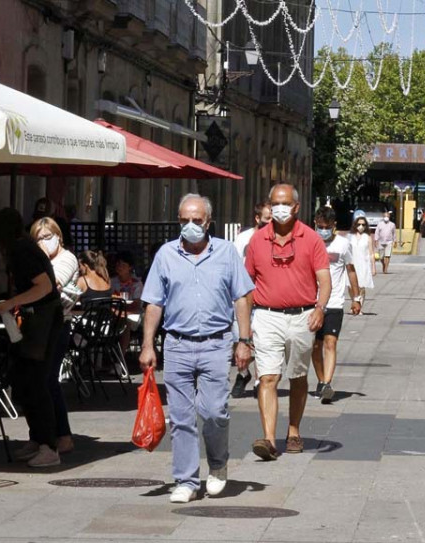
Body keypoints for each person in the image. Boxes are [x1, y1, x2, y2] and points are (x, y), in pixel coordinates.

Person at [139, 194, 254, 503]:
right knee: (181, 416)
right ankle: (186, 479)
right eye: (184, 220)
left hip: (217, 343)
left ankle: (217, 466)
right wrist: (148, 344)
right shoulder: (165, 254)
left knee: (215, 412)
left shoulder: (226, 252)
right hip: (177, 344)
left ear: (208, 222)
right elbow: (153, 302)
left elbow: (242, 297)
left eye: (197, 220)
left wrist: (244, 341)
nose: (190, 226)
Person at [245, 184, 330, 460]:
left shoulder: (312, 239)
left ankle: (293, 430)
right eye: (274, 203)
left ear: (296, 207)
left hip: (302, 316)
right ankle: (268, 439)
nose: (279, 208)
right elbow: (246, 286)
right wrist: (243, 331)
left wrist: (320, 307)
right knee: (267, 377)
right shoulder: (257, 241)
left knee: (297, 376)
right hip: (266, 315)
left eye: (284, 203)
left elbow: (324, 280)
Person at [0, 208, 64, 467]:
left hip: (42, 325)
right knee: (24, 381)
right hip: (41, 323)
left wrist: (13, 301)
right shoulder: (24, 247)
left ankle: (49, 445)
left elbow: (44, 286)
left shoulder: (21, 251)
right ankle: (38, 439)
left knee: (36, 383)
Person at [30, 217, 78, 454]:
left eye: (47, 237)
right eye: (38, 238)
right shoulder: (41, 262)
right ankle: (39, 436)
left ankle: (62, 435)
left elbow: (51, 285)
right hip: (40, 326)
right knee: (35, 381)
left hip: (57, 326)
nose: (43, 242)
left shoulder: (66, 259)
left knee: (49, 380)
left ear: (58, 236)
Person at [312, 206, 361, 404]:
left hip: (334, 302)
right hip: (311, 303)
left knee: (330, 343)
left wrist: (356, 298)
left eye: (327, 226)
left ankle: (326, 383)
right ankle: (321, 380)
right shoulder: (309, 242)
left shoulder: (343, 244)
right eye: (320, 226)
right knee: (315, 346)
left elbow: (351, 270)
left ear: (334, 226)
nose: (323, 230)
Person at [230, 202, 272, 399]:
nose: (270, 223)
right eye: (267, 219)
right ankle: (243, 374)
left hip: (266, 297)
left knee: (262, 341)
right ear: (257, 219)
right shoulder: (243, 239)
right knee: (239, 337)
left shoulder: (276, 238)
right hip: (243, 297)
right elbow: (235, 266)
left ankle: (258, 380)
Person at [349, 215, 375, 305]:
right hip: (351, 265)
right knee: (350, 286)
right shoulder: (350, 237)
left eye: (363, 225)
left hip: (364, 265)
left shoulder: (368, 237)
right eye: (359, 224)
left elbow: (371, 253)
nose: (361, 226)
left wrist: (373, 267)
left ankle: (359, 306)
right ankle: (354, 302)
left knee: (361, 286)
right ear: (355, 225)